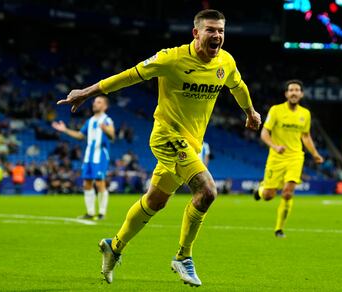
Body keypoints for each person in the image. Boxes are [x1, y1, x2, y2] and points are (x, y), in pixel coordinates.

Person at [57, 9, 261, 287]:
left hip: (191, 144)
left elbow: (238, 85)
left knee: (156, 201)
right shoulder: (171, 58)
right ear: (196, 33)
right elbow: (129, 76)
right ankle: (183, 257)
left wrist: (249, 111)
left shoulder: (225, 62)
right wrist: (87, 92)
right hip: (166, 136)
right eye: (211, 30)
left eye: (221, 31)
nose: (217, 35)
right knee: (207, 191)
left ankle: (113, 245)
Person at [253, 79, 323, 238]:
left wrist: (315, 154)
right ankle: (261, 189)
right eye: (291, 90)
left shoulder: (305, 114)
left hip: (296, 156)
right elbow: (264, 133)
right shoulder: (276, 110)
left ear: (301, 94)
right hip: (276, 157)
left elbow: (305, 136)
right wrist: (275, 146)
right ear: (286, 94)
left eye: (297, 90)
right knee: (268, 196)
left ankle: (279, 229)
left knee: (287, 193)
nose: (294, 92)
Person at [52, 95, 115, 220]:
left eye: (98, 102)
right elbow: (80, 135)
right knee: (86, 183)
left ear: (105, 106)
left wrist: (105, 130)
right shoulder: (90, 121)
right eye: (95, 102)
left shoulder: (107, 120)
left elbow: (112, 136)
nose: (95, 104)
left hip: (100, 155)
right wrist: (65, 130)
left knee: (99, 182)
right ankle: (90, 212)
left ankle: (102, 213)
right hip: (88, 156)